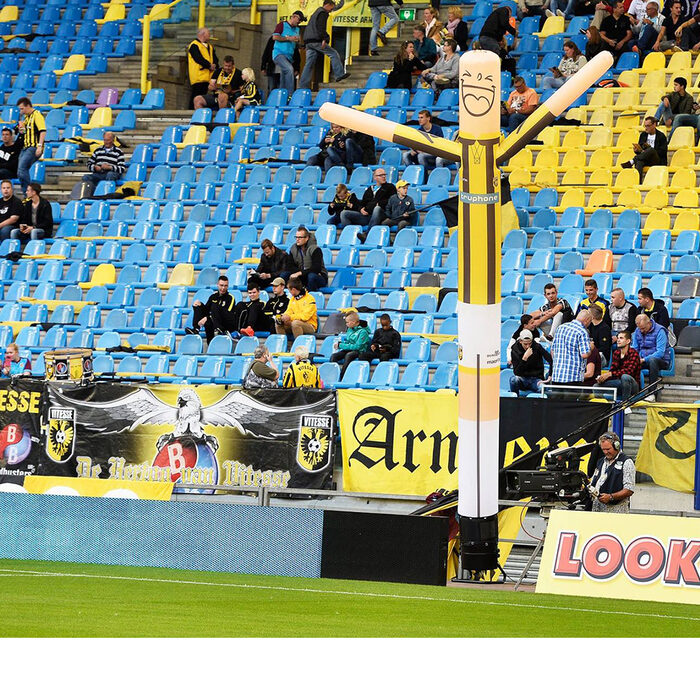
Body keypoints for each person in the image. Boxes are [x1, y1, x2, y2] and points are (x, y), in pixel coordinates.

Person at [299, 0, 350, 89]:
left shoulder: (316, 13)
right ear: (328, 5)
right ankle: (339, 74)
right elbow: (321, 27)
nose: (331, 10)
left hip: (308, 42)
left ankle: (302, 86)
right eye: (331, 8)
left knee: (309, 65)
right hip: (316, 40)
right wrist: (325, 39)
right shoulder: (323, 13)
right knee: (333, 53)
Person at [588, 432, 635, 513]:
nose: (605, 452)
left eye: (608, 449)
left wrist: (610, 497)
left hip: (616, 512)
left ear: (617, 446)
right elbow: (594, 483)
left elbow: (629, 490)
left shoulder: (627, 462)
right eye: (603, 449)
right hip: (597, 510)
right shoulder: (601, 462)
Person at [632, 313, 670, 400]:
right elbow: (635, 348)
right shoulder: (638, 330)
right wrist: (634, 358)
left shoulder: (660, 331)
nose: (641, 331)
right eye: (640, 328)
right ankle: (635, 393)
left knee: (653, 360)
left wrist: (644, 359)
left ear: (649, 323)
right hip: (642, 359)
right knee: (630, 362)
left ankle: (652, 393)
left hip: (661, 360)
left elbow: (660, 352)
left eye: (643, 328)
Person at [186, 275, 234, 342]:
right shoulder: (213, 296)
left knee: (215, 307)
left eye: (225, 286)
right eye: (221, 285)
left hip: (224, 324)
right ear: (217, 285)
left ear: (228, 286)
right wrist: (200, 304)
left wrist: (208, 317)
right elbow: (206, 310)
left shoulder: (230, 298)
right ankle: (196, 329)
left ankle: (219, 330)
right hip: (212, 321)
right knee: (198, 306)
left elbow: (227, 314)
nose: (223, 288)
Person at [595, 330, 641, 401]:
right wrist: (603, 378)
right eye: (618, 338)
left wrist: (610, 374)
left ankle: (625, 404)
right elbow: (612, 371)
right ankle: (603, 406)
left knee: (625, 377)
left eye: (621, 338)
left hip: (632, 385)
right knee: (596, 386)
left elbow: (629, 372)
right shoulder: (616, 353)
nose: (618, 340)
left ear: (628, 341)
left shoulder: (634, 353)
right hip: (619, 383)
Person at [550, 310, 592, 385]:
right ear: (587, 320)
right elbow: (584, 354)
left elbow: (552, 351)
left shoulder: (560, 328)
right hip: (573, 377)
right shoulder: (582, 332)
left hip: (557, 376)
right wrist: (590, 348)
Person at [271, 10, 305, 97]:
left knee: (284, 76)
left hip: (289, 56)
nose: (299, 22)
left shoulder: (297, 29)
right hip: (279, 54)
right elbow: (275, 37)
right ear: (294, 17)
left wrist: (300, 45)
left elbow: (296, 43)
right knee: (289, 69)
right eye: (299, 20)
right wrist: (288, 38)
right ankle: (290, 94)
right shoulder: (282, 25)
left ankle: (282, 95)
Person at [15, 97, 45, 191]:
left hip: (33, 147)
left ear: (28, 106)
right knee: (20, 171)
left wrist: (39, 146)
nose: (21, 111)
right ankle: (28, 192)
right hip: (25, 147)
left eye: (22, 109)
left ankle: (29, 192)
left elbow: (42, 131)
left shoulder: (37, 115)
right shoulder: (26, 118)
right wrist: (21, 129)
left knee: (22, 169)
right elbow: (25, 132)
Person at [509, 329, 552, 395]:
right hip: (522, 378)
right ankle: (515, 398)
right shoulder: (515, 350)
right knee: (513, 380)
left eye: (530, 343)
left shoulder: (537, 346)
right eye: (525, 344)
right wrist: (524, 359)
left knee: (542, 388)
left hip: (536, 379)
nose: (528, 346)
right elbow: (517, 372)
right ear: (520, 341)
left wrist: (550, 375)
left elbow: (550, 359)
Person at [287, 226, 328, 292]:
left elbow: (316, 268)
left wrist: (300, 273)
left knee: (311, 276)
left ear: (307, 238)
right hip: (303, 276)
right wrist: (300, 273)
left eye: (300, 237)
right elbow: (289, 266)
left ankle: (310, 295)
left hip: (319, 276)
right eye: (296, 237)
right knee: (285, 274)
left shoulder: (315, 249)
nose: (297, 239)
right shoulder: (293, 249)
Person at [330, 311, 371, 378]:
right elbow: (348, 341)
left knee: (349, 355)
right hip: (350, 348)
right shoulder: (350, 329)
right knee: (334, 356)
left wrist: (341, 345)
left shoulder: (363, 332)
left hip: (359, 351)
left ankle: (343, 377)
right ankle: (334, 376)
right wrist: (340, 344)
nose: (346, 324)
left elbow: (357, 347)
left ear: (353, 322)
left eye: (347, 322)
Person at [187, 27, 218, 109]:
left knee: (203, 96)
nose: (210, 35)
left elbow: (215, 58)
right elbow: (198, 58)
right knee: (196, 95)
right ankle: (191, 111)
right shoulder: (194, 45)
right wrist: (209, 65)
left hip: (207, 77)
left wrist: (215, 65)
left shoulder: (210, 46)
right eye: (208, 33)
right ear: (203, 34)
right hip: (198, 76)